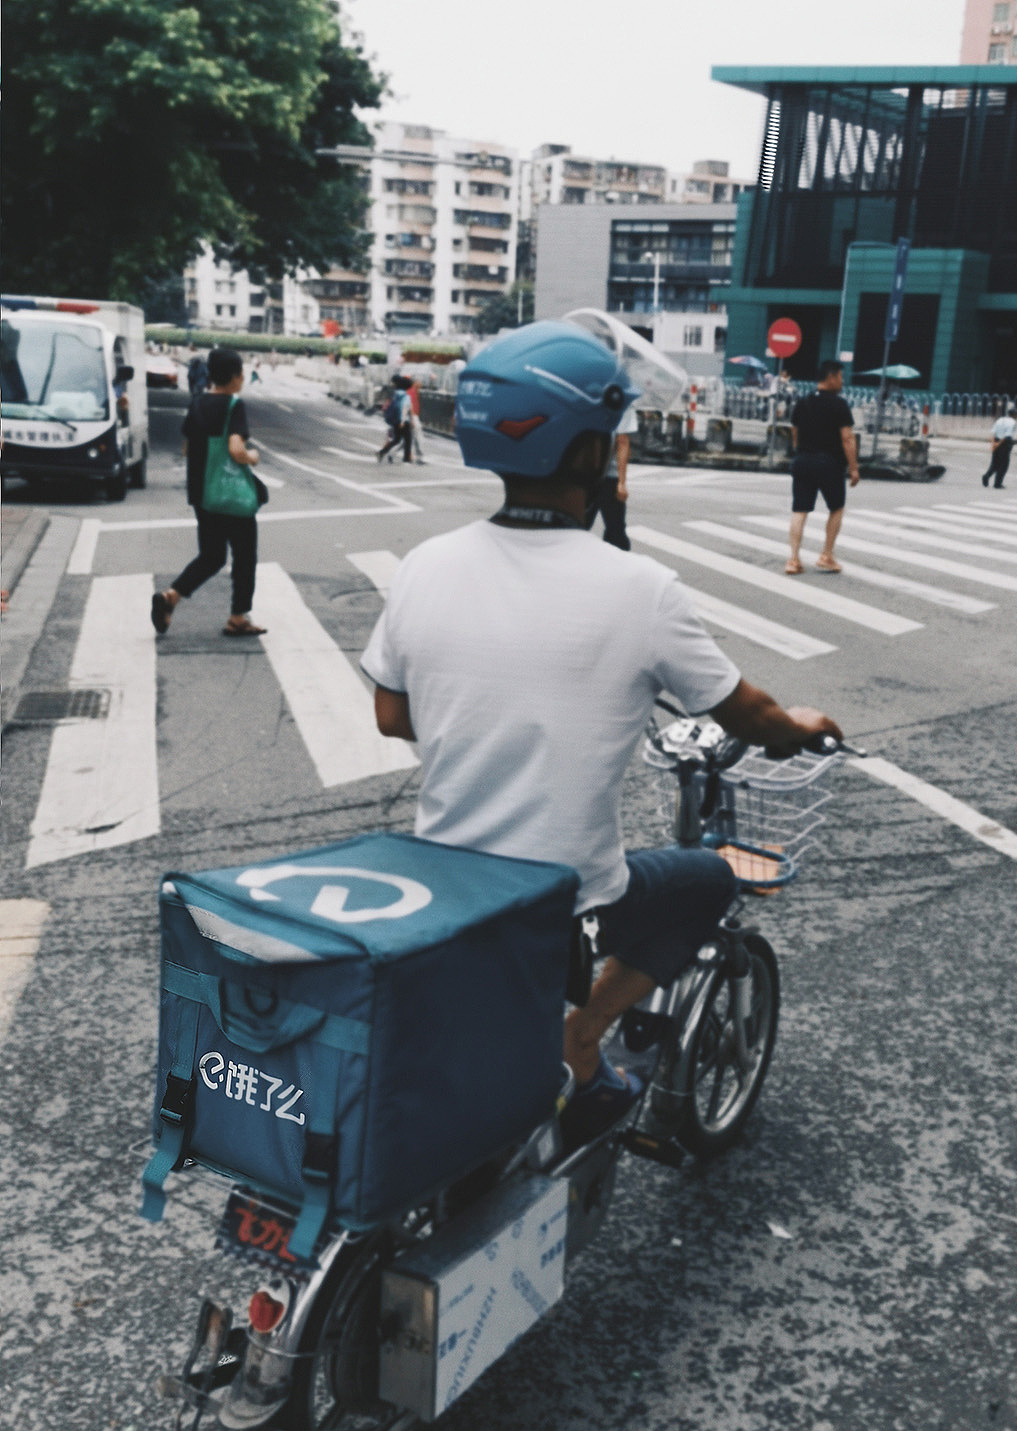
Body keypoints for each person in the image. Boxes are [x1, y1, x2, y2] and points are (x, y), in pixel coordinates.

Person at [361, 321, 843, 1145]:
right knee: (706, 880)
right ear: (586, 451)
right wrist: (798, 726)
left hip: (450, 882)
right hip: (567, 895)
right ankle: (580, 1037)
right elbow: (749, 716)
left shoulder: (426, 564)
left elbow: (391, 714)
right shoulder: (639, 590)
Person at [151, 346, 265, 638]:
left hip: (202, 492)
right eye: (240, 373)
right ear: (235, 377)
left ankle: (170, 597)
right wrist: (252, 457)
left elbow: (187, 447)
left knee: (212, 556)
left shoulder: (198, 402)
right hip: (231, 495)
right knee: (244, 556)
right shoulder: (233, 405)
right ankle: (238, 617)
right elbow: (236, 450)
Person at [786, 359, 859, 575]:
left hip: (803, 461)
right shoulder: (839, 404)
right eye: (841, 377)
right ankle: (826, 555)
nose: (842, 381)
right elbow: (847, 438)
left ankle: (793, 559)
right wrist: (854, 468)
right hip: (829, 463)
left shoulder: (803, 402)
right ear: (831, 377)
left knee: (800, 510)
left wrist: (801, 451)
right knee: (836, 508)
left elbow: (794, 431)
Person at [595, 400, 638, 550]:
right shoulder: (621, 398)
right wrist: (621, 483)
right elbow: (622, 442)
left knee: (573, 529)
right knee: (616, 531)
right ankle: (613, 568)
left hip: (579, 474)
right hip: (608, 476)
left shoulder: (580, 391)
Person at [376, 376, 412, 464]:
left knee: (397, 439)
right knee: (408, 440)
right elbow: (404, 408)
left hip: (395, 419)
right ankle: (406, 459)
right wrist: (403, 420)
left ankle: (382, 452)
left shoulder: (395, 394)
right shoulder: (406, 396)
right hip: (403, 420)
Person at [982, 407, 1017, 489]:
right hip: (1004, 443)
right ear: (1014, 415)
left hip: (996, 440)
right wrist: (999, 444)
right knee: (1004, 465)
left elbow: (993, 432)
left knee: (995, 463)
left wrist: (994, 443)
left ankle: (987, 476)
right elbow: (1007, 435)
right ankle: (997, 483)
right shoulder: (1013, 422)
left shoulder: (1000, 420)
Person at [405, 377, 426, 464]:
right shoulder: (411, 391)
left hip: (413, 416)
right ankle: (420, 457)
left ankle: (392, 453)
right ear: (415, 382)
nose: (421, 384)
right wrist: (412, 419)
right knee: (418, 437)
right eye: (420, 382)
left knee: (409, 438)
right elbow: (410, 406)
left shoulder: (414, 391)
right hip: (413, 416)